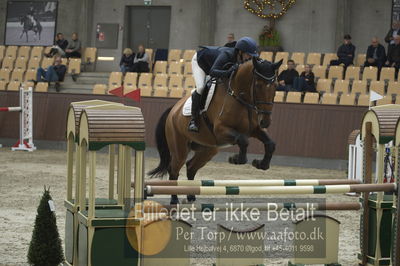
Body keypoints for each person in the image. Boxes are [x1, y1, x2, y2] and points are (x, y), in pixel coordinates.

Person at [188, 36, 259, 132]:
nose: (250, 58)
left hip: (214, 64)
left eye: (252, 56)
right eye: (248, 55)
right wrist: (228, 73)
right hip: (200, 62)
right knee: (200, 87)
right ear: (241, 52)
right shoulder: (227, 55)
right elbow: (213, 72)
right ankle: (193, 120)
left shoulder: (243, 58)